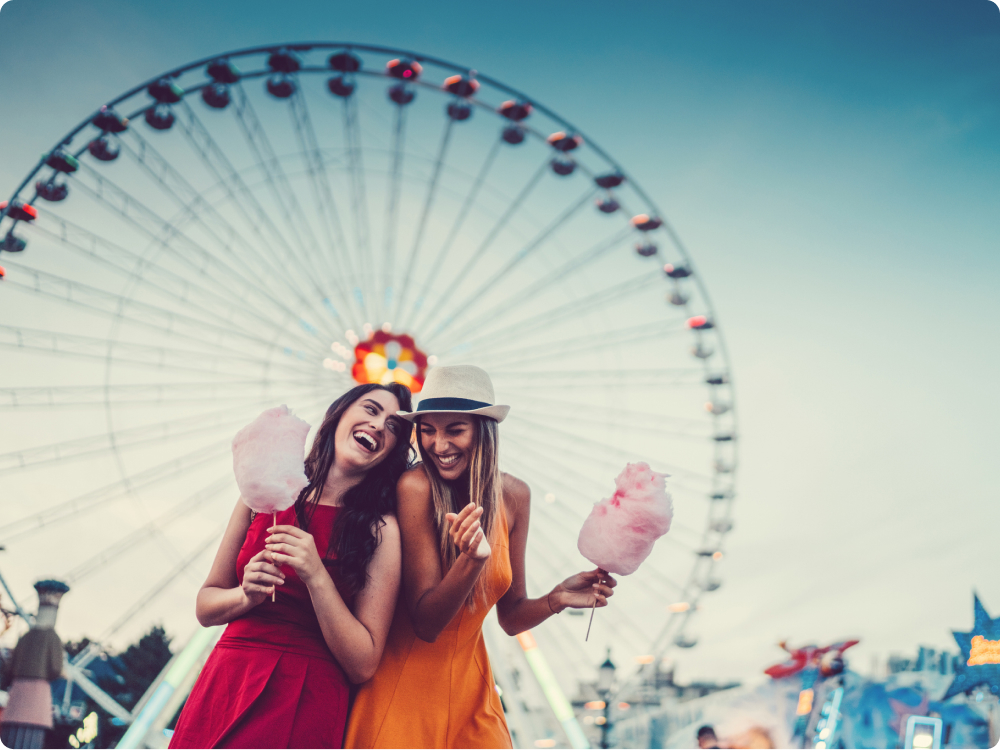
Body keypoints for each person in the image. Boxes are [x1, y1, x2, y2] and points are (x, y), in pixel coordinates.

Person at [345, 365, 616, 749]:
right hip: (404, 690)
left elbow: (511, 616)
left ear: (483, 430)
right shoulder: (416, 487)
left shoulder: (515, 497)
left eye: (455, 429)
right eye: (428, 430)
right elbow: (426, 622)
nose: (439, 445)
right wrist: (469, 562)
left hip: (476, 695)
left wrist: (557, 598)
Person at [169, 383, 413, 749]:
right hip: (229, 677)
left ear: (392, 450)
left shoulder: (381, 530)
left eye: (393, 426)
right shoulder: (264, 491)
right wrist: (245, 596)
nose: (379, 425)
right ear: (340, 414)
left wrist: (316, 575)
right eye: (370, 409)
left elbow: (364, 663)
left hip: (306, 692)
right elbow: (206, 606)